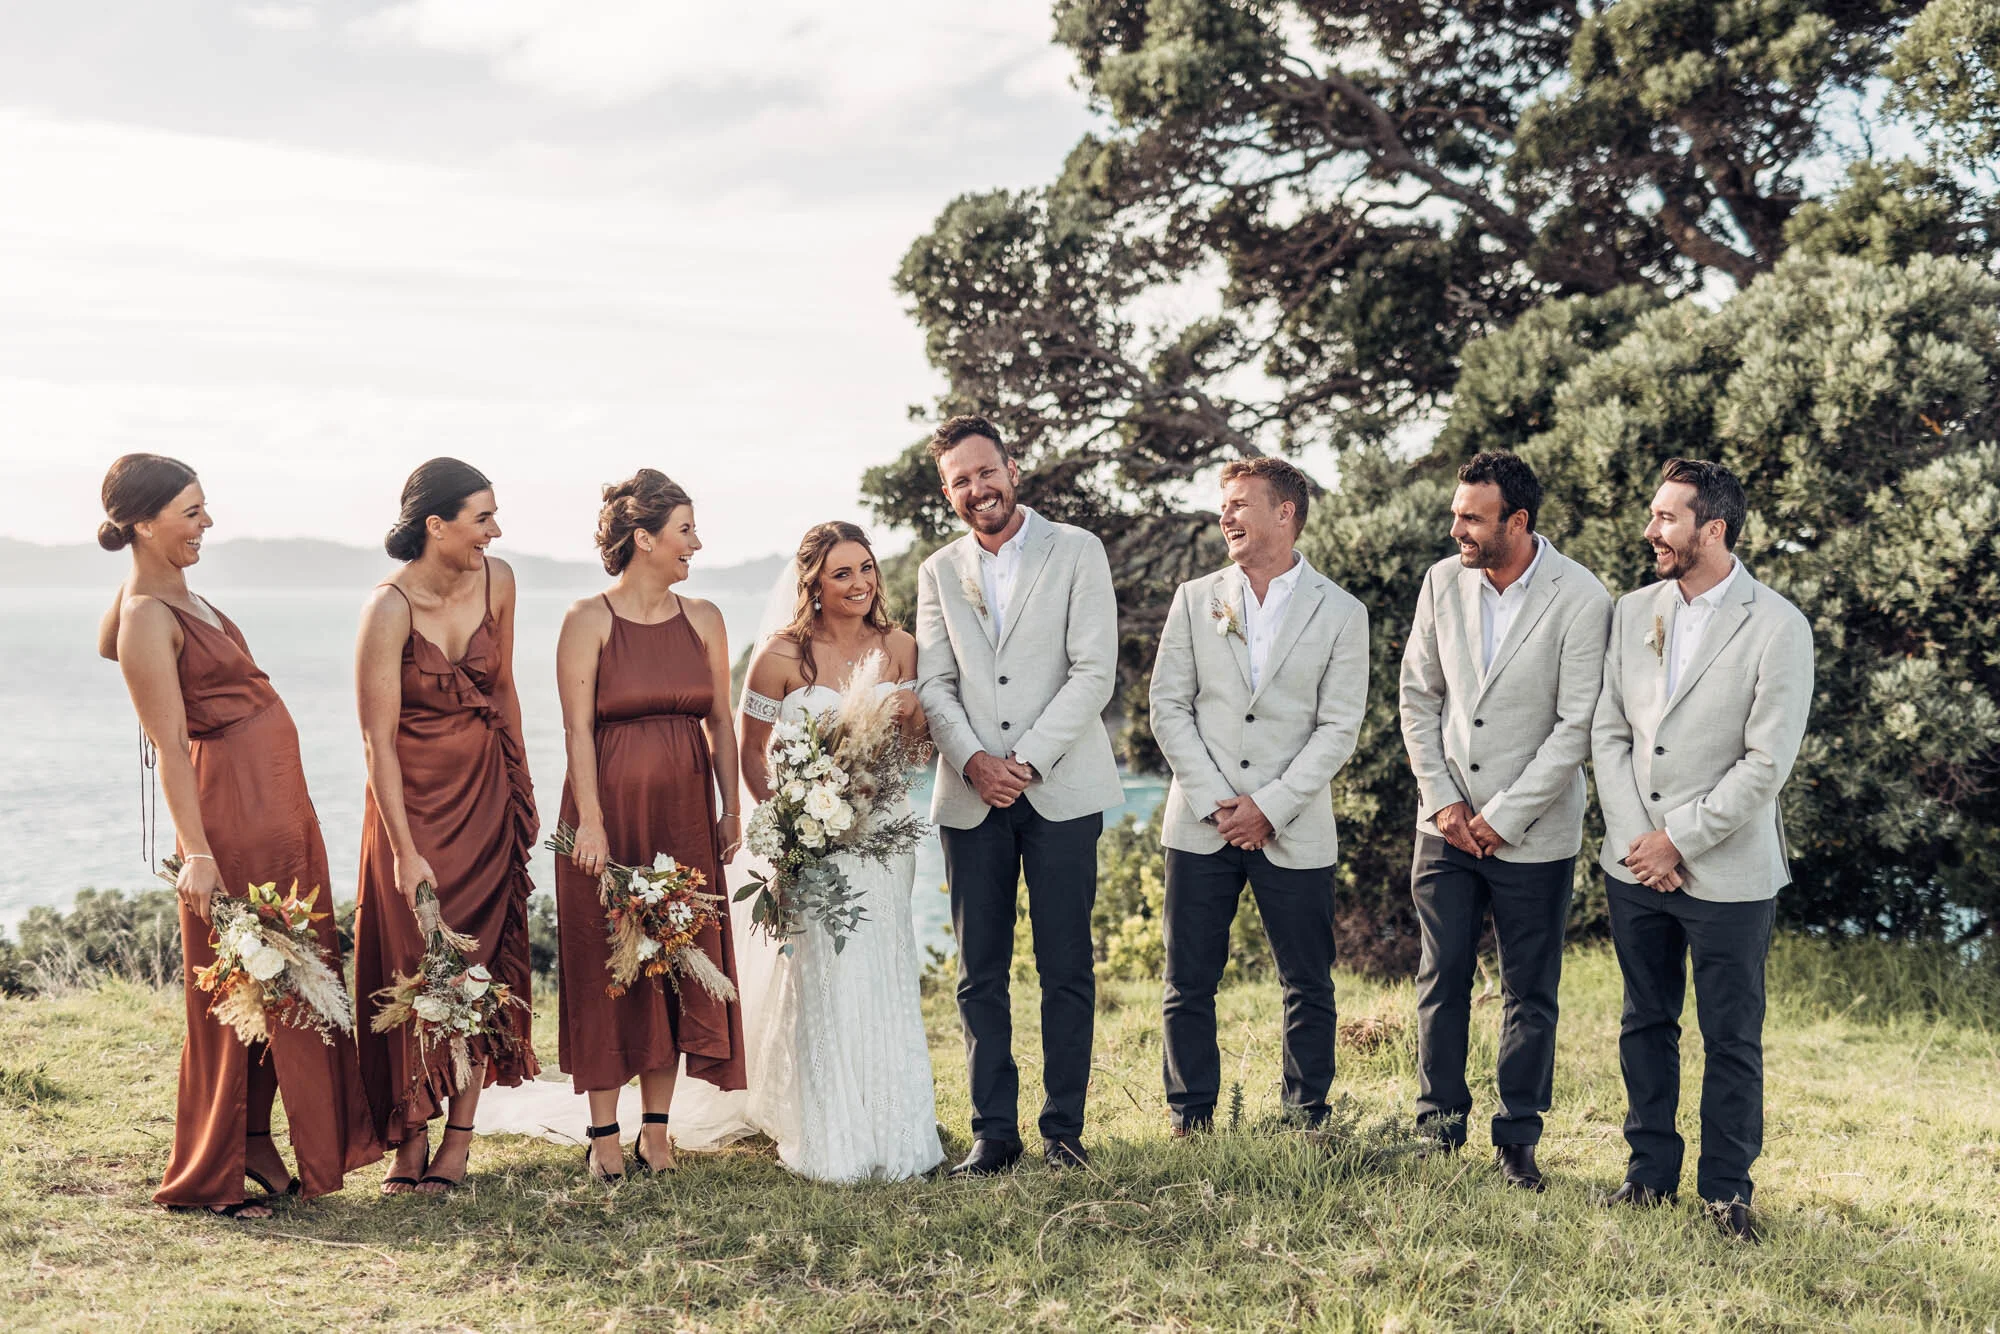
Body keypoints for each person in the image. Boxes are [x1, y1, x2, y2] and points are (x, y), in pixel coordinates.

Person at [97, 453, 380, 1218]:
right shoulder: (146, 616)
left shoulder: (169, 597)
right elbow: (168, 747)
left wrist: (139, 576)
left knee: (285, 982)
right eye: (191, 512)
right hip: (233, 816)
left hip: (280, 810)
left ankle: (255, 1139)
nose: (208, 523)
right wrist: (196, 854)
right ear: (143, 524)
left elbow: (108, 639)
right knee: (238, 989)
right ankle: (209, 1173)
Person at [1592, 458, 1815, 1242]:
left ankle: (1726, 1193)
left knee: (1731, 1038)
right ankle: (1648, 1176)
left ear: (1712, 529)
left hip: (1728, 872)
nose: (1650, 531)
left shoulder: (1778, 626)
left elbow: (1766, 763)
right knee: (1644, 1023)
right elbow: (1609, 732)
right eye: (1653, 515)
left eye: (1666, 518)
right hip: (1635, 864)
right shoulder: (1632, 611)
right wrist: (1639, 842)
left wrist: (1678, 841)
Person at [1397, 451, 1611, 1189]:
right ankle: (1438, 1126)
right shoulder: (1440, 582)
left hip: (1536, 832)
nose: (1456, 529)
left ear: (1517, 522)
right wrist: (1444, 800)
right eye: (1456, 514)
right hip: (1444, 823)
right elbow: (1418, 697)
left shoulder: (1581, 596)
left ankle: (1518, 1138)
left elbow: (1577, 725)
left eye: (1472, 518)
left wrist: (1504, 817)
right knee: (1441, 976)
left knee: (1530, 991)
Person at [914, 415, 1122, 1174]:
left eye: (985, 472)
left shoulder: (1078, 550)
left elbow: (1094, 672)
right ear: (949, 494)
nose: (978, 489)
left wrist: (1024, 761)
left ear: (1012, 470)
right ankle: (992, 1133)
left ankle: (1064, 1131)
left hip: (1060, 789)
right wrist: (974, 761)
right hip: (971, 797)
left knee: (1067, 966)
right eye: (960, 481)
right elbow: (933, 683)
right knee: (979, 973)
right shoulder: (938, 571)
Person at [1148, 457, 1368, 1137]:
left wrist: (1270, 806)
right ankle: (1190, 1117)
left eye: (1240, 504)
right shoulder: (1195, 598)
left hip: (1293, 826)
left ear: (1285, 512)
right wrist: (1219, 801)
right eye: (1224, 505)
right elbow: (1168, 707)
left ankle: (1305, 1120)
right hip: (1201, 822)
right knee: (1188, 980)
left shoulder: (1342, 611)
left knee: (1308, 981)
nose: (1226, 516)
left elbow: (1338, 728)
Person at [732, 520, 945, 1181]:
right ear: (813, 584)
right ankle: (832, 1131)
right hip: (815, 843)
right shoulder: (780, 657)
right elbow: (750, 753)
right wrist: (788, 826)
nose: (860, 583)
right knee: (826, 974)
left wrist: (913, 717)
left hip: (885, 834)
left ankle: (896, 1125)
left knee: (883, 967)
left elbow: (918, 754)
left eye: (866, 568)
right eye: (841, 573)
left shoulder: (901, 647)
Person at [552, 470, 745, 1182]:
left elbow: (721, 721)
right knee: (608, 964)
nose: (697, 543)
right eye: (685, 530)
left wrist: (730, 807)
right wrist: (591, 823)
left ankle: (656, 1135)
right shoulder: (587, 619)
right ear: (644, 538)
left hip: (685, 816)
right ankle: (604, 1136)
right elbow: (576, 730)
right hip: (605, 814)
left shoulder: (705, 618)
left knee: (674, 960)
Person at [353, 458, 539, 1195]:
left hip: (486, 797)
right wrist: (403, 850)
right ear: (437, 525)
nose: (495, 531)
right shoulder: (388, 608)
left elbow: (505, 689)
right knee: (414, 966)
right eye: (482, 518)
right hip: (413, 813)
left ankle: (459, 1139)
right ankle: (410, 1133)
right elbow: (376, 740)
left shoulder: (500, 582)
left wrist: (520, 784)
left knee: (480, 961)